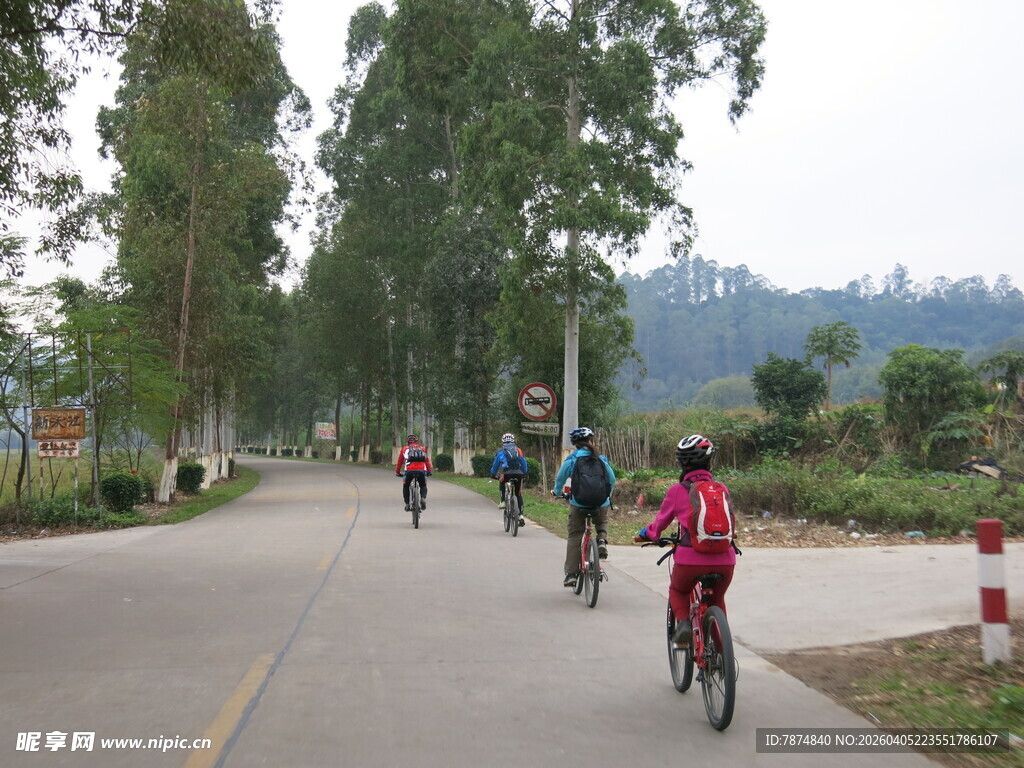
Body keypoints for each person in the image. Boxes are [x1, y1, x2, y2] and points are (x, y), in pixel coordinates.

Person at [636, 434, 737, 647]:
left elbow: (659, 525)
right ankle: (723, 652)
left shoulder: (677, 491)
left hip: (690, 560)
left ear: (681, 462)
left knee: (678, 590)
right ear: (710, 461)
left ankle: (683, 625)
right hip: (725, 560)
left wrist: (647, 533)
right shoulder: (721, 489)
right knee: (717, 599)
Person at [552, 426, 616, 588]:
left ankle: (571, 574)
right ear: (591, 441)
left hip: (579, 503)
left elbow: (560, 479)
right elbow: (612, 479)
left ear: (575, 444)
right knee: (602, 519)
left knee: (575, 535)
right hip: (600, 503)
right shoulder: (600, 458)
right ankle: (601, 539)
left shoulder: (573, 459)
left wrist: (557, 492)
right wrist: (607, 495)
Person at [489, 432, 528, 526]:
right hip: (518, 474)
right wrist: (524, 473)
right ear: (513, 441)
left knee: (502, 482)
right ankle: (521, 515)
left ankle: (502, 501)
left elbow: (495, 466)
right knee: (518, 494)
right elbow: (524, 464)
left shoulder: (501, 452)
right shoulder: (518, 450)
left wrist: (493, 474)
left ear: (503, 441)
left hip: (506, 474)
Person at [395, 434, 432, 511]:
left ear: (407, 441)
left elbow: (399, 462)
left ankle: (407, 504)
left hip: (409, 471)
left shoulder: (404, 449)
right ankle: (423, 498)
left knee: (406, 486)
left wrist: (397, 472)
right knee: (423, 485)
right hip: (422, 470)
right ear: (416, 441)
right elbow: (427, 461)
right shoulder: (422, 448)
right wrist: (429, 471)